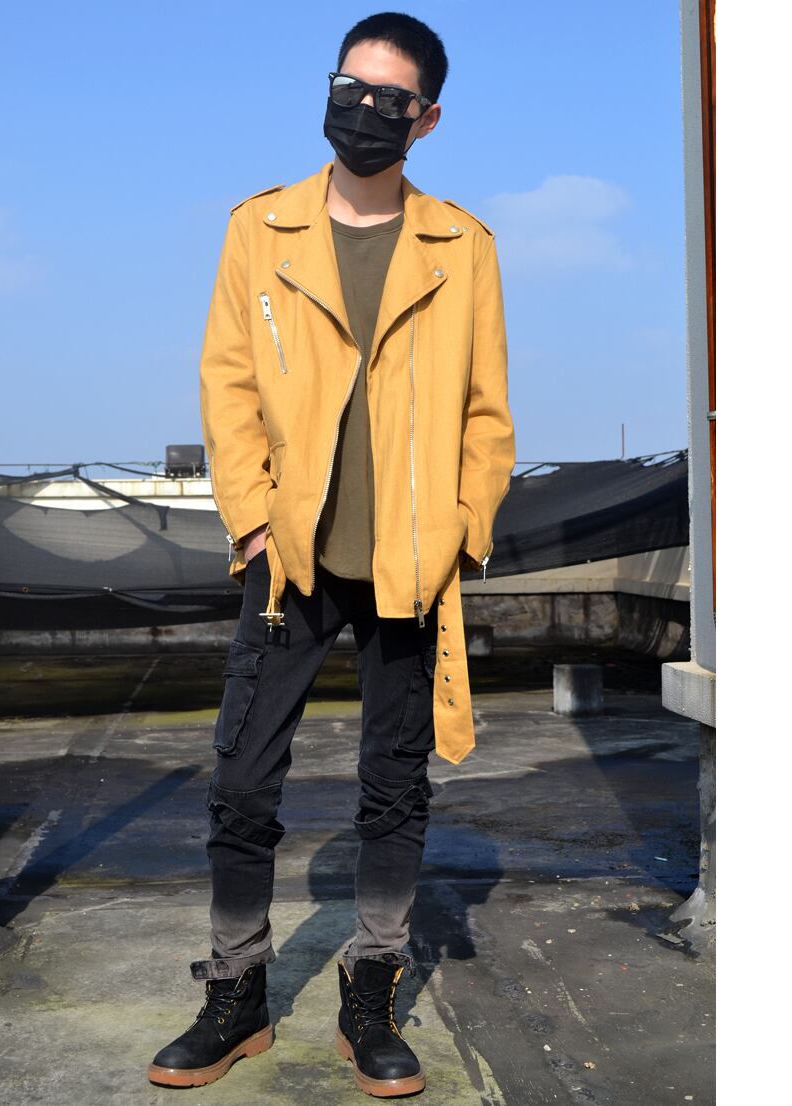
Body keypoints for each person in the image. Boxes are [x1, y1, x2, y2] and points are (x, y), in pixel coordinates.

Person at [146, 11, 515, 1096]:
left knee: (394, 787)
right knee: (241, 778)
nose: (362, 110)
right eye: (348, 88)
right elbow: (227, 383)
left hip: (410, 564)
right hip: (289, 558)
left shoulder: (462, 246)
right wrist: (254, 520)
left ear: (425, 119)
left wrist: (460, 530)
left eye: (388, 99)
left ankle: (371, 991)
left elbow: (487, 415)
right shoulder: (259, 228)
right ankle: (235, 993)